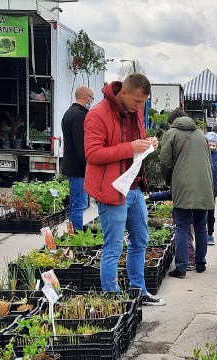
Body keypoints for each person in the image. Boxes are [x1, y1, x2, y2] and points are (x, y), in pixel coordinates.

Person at [84, 74, 164, 305]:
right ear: (124, 92)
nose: (140, 107)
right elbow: (92, 154)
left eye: (143, 103)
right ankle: (113, 299)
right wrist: (129, 148)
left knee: (140, 240)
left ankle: (138, 291)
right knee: (114, 246)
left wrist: (148, 142)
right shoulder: (97, 114)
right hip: (111, 190)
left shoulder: (135, 111)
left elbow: (136, 142)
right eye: (138, 102)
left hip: (134, 187)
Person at [159, 108, 214, 278]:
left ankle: (181, 267)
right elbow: (209, 161)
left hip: (183, 185)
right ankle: (200, 263)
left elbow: (165, 161)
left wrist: (169, 181)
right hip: (204, 185)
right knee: (201, 226)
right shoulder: (201, 135)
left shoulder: (171, 134)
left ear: (172, 121)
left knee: (182, 226)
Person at [61, 85, 93, 230]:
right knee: (79, 204)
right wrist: (88, 165)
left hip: (71, 164)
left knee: (76, 203)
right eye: (91, 98)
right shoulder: (80, 115)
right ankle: (76, 235)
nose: (91, 101)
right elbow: (81, 144)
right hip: (78, 168)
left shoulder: (69, 113)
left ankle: (73, 232)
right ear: (85, 97)